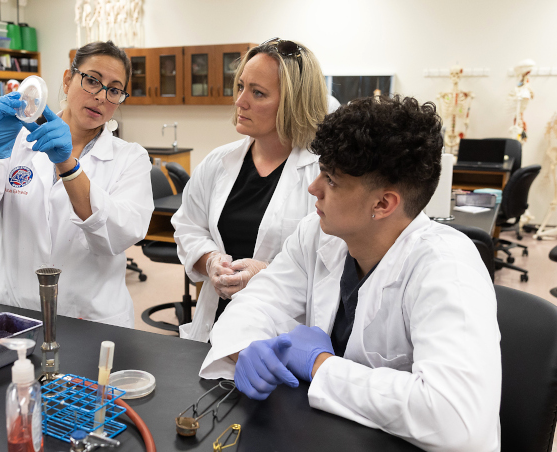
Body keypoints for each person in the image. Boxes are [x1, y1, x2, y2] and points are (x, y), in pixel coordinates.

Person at [200, 96, 502, 451]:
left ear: (383, 203)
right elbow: (257, 302)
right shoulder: (317, 234)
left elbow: (455, 420)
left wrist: (320, 365)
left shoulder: (448, 268)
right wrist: (248, 346)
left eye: (331, 179)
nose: (313, 188)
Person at [0, 41, 154, 327]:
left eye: (114, 89)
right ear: (67, 80)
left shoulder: (130, 158)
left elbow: (119, 233)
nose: (101, 96)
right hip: (12, 310)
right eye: (92, 81)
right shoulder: (18, 142)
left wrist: (67, 165)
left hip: (88, 317)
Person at [171, 38, 328, 342]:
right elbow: (188, 226)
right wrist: (211, 261)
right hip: (214, 325)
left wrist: (267, 273)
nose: (241, 101)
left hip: (280, 331)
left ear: (293, 102)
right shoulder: (219, 162)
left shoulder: (323, 174)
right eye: (241, 86)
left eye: (258, 93)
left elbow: (335, 264)